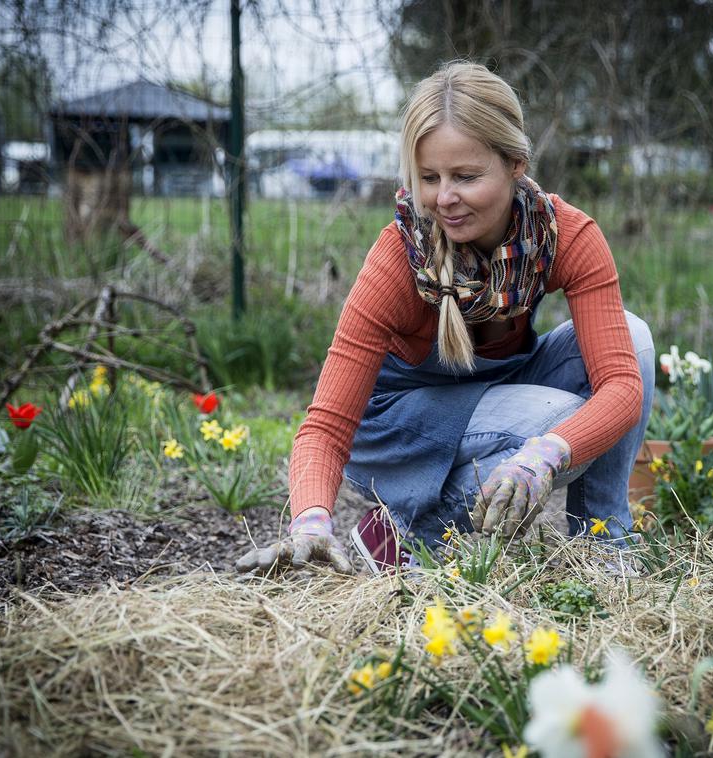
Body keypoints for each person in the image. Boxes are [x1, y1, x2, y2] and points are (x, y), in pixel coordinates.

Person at [236, 61, 654, 576]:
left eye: (466, 176)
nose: (444, 199)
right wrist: (311, 522)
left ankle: (603, 544)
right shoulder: (399, 259)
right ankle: (411, 532)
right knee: (559, 415)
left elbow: (622, 387)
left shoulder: (562, 236)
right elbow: (325, 424)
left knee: (634, 342)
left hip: (499, 391)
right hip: (401, 423)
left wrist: (542, 458)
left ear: (516, 163)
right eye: (428, 178)